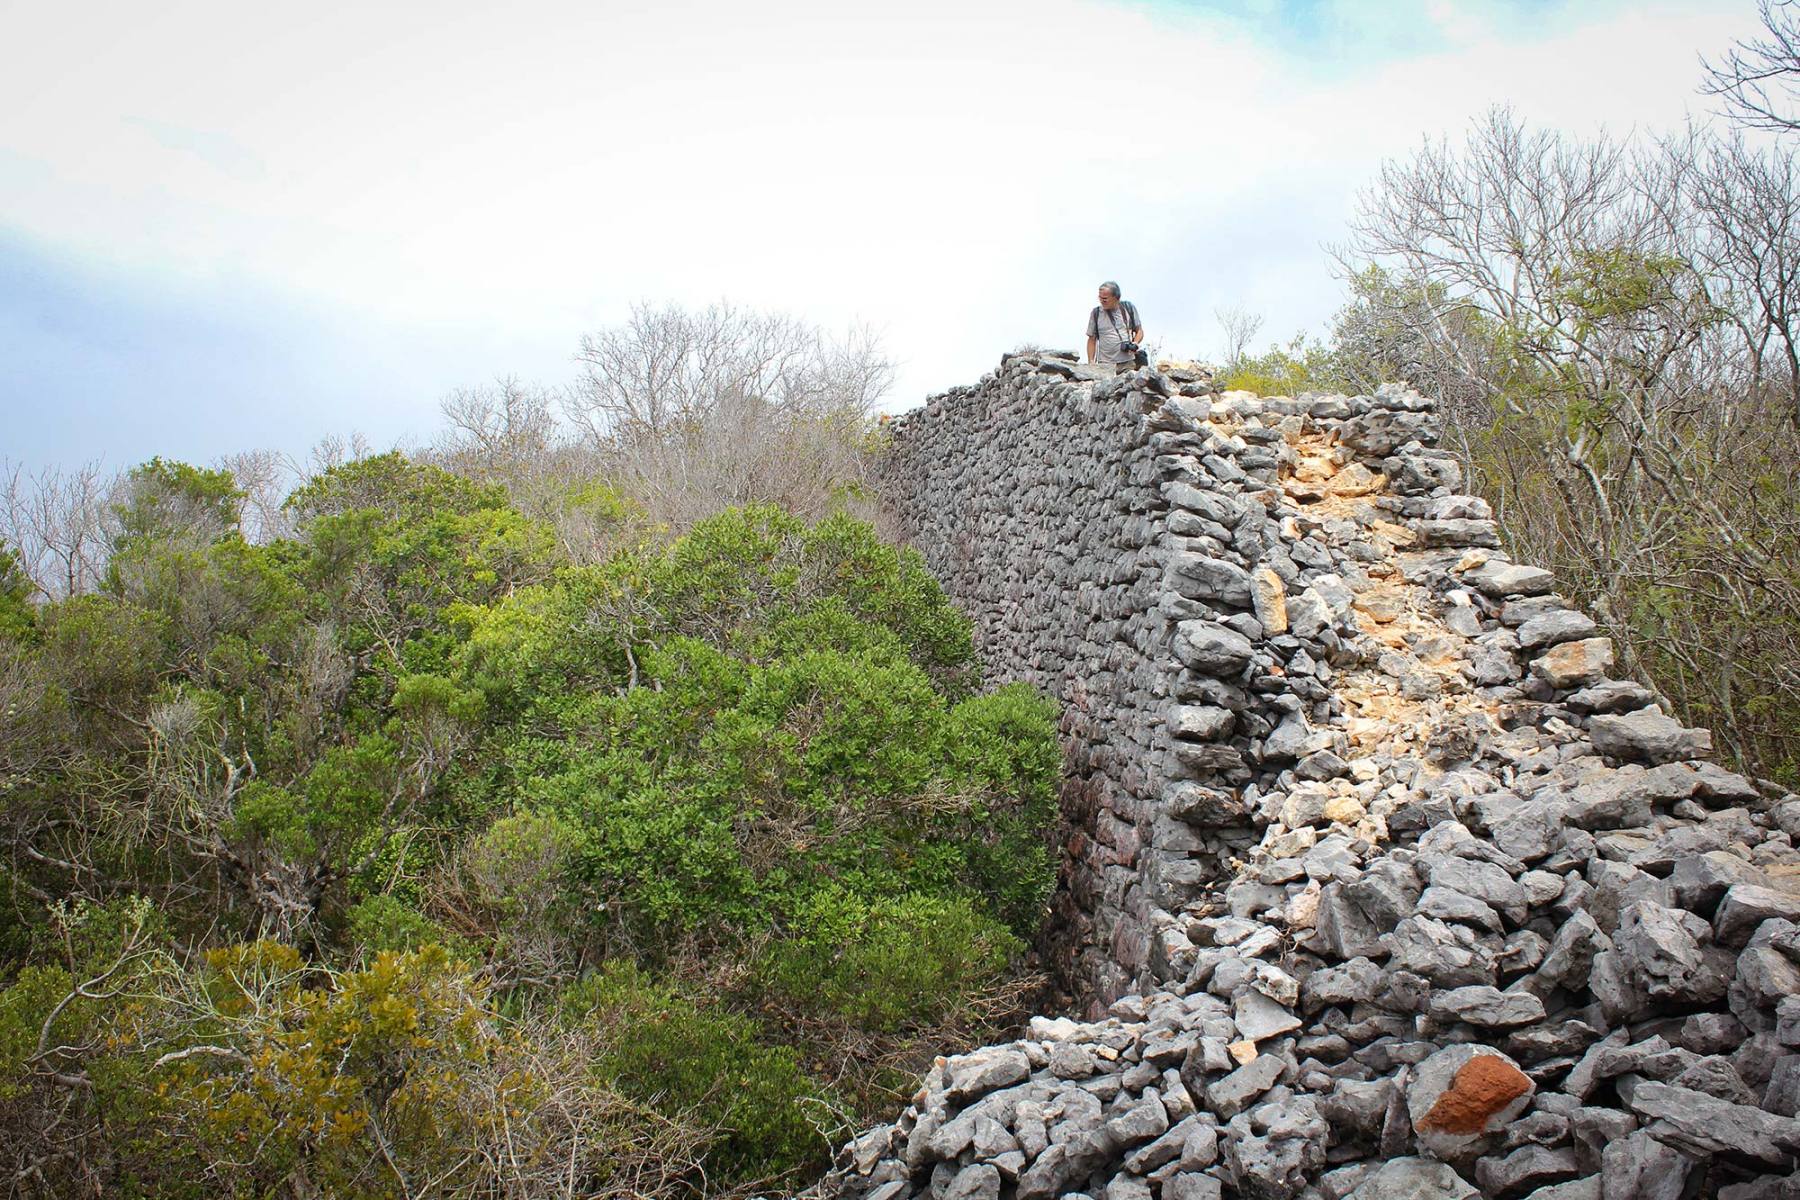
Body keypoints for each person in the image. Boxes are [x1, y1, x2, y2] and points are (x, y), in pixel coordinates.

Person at [1086, 282, 1145, 374]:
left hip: (1127, 362)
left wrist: (1135, 343)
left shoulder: (1128, 308)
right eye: (1100, 298)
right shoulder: (1096, 313)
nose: (1101, 301)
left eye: (1105, 299)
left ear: (1116, 298)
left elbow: (1139, 331)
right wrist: (1091, 361)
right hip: (1105, 365)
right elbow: (1091, 339)